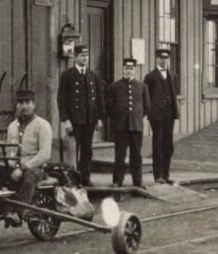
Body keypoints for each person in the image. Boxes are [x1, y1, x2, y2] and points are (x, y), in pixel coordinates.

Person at [0, 88, 52, 219]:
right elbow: (9, 152)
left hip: (35, 169)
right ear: (16, 106)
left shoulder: (43, 125)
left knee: (29, 178)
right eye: (20, 103)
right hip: (14, 169)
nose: (24, 106)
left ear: (34, 105)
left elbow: (45, 154)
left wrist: (23, 168)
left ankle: (16, 212)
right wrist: (8, 168)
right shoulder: (12, 127)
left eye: (27, 102)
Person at [56, 44, 104, 185]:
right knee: (72, 151)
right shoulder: (68, 75)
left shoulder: (93, 75)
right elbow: (61, 99)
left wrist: (99, 118)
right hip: (74, 121)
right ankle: (72, 179)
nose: (85, 58)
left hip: (90, 120)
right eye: (82, 55)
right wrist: (65, 120)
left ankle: (85, 178)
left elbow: (99, 98)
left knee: (87, 151)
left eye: (87, 55)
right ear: (75, 57)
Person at [105, 57, 149, 188]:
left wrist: (138, 119)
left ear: (135, 70)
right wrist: (117, 119)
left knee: (136, 155)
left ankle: (138, 181)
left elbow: (147, 106)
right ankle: (117, 181)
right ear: (123, 69)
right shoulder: (115, 86)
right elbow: (109, 106)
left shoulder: (142, 87)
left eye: (131, 68)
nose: (128, 71)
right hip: (121, 127)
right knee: (120, 155)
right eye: (126, 68)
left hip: (136, 127)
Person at [144, 48, 180, 184]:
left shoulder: (173, 75)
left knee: (168, 144)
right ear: (156, 59)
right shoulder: (150, 77)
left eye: (166, 58)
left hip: (169, 114)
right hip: (156, 116)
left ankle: (166, 174)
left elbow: (174, 93)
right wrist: (150, 111)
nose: (164, 60)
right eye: (161, 58)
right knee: (157, 143)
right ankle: (157, 175)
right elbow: (146, 97)